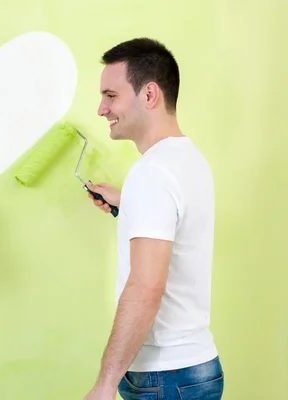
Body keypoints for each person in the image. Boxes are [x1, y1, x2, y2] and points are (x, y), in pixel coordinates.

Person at [82, 38, 224, 400]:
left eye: (110, 95)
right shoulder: (189, 160)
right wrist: (126, 204)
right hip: (195, 369)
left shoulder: (152, 173)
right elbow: (174, 232)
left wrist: (105, 384)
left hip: (164, 377)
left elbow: (145, 288)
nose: (101, 108)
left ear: (149, 95)